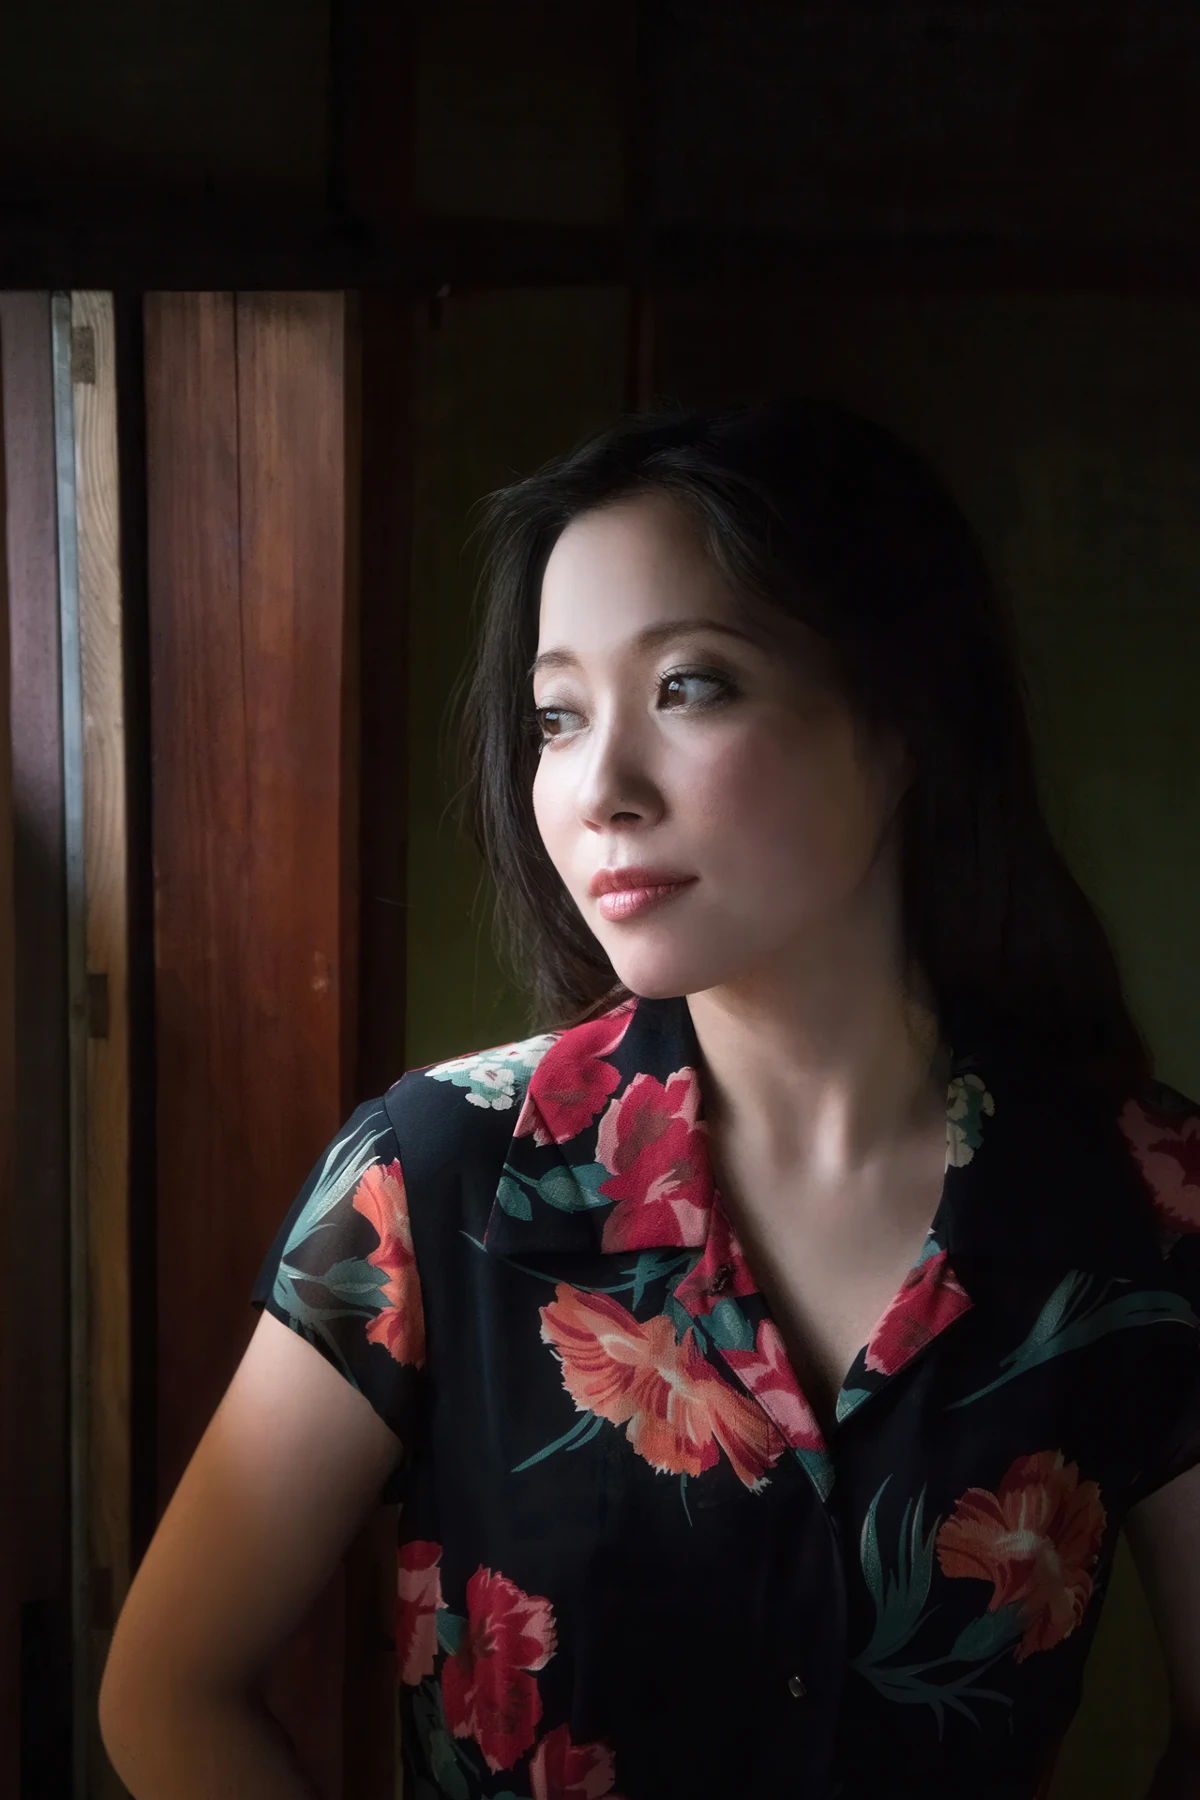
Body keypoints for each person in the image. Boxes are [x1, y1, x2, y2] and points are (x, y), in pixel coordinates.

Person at [99, 399, 1200, 1799]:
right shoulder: (436, 1175)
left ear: (905, 717)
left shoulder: (1144, 1199)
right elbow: (169, 1692)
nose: (600, 788)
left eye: (690, 686)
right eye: (558, 716)